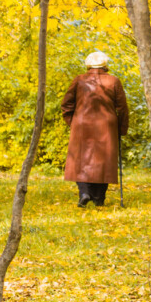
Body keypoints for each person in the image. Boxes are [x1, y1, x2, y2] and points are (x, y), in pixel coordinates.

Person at [61, 51, 129, 207]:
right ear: (105, 65)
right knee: (103, 161)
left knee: (81, 160)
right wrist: (121, 128)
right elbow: (122, 108)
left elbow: (66, 104)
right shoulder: (113, 81)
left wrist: (72, 122)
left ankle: (84, 193)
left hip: (82, 124)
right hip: (107, 126)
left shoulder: (79, 80)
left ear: (88, 65)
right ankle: (98, 198)